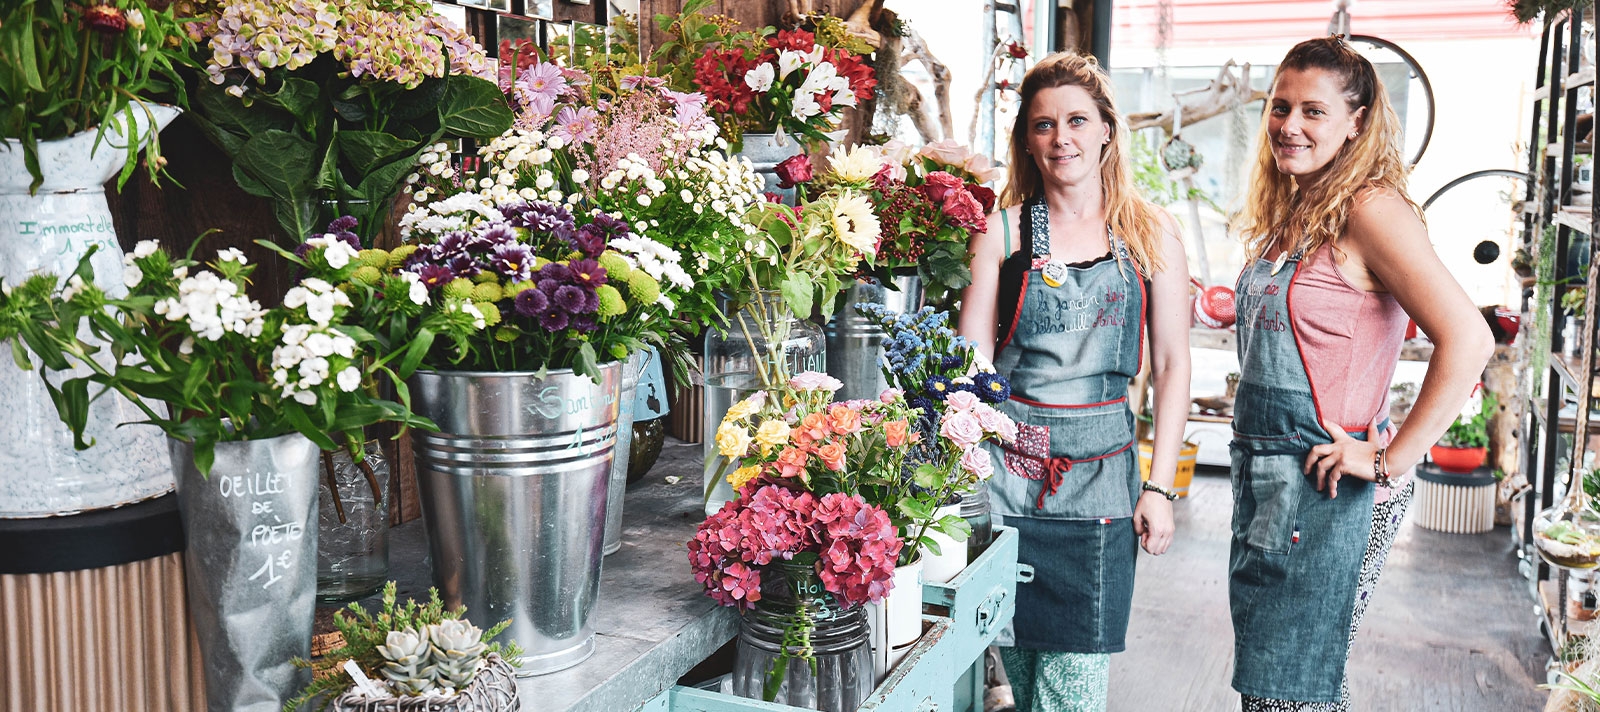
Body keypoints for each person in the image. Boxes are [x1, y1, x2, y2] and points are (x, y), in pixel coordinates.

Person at [1227, 36, 1494, 711]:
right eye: (1280, 107)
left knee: (1295, 689)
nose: (1290, 125)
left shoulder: (1369, 209)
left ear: (1357, 120)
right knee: (1284, 689)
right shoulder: (1295, 207)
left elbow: (1468, 338)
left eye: (1313, 111)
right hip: (1275, 483)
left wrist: (1390, 458)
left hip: (1331, 492)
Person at [958, 51, 1191, 711]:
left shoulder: (1149, 234)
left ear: (1107, 130)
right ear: (1027, 142)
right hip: (1006, 484)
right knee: (1019, 673)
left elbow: (1173, 366)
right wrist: (967, 469)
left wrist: (1160, 487)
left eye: (1078, 120)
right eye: (1044, 125)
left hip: (1102, 487)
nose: (1062, 138)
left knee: (1074, 687)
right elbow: (972, 362)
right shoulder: (1001, 233)